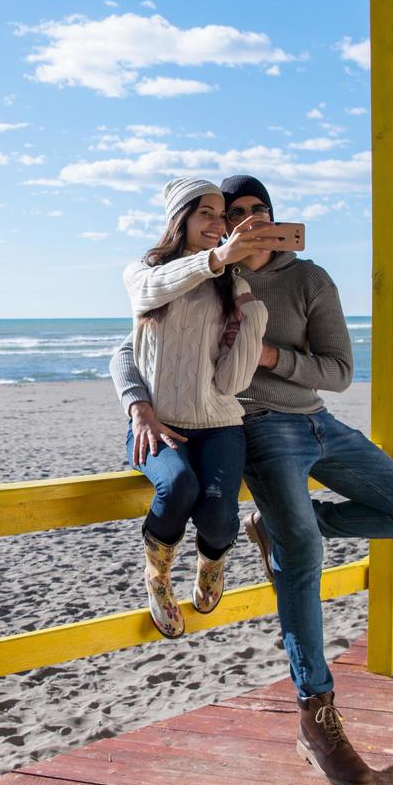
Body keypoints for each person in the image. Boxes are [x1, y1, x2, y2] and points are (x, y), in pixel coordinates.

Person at [110, 174, 393, 785]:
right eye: (235, 214)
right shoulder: (206, 271)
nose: (250, 221)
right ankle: (317, 717)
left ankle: (284, 526)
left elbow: (338, 372)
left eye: (262, 211)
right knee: (302, 558)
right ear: (218, 224)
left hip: (316, 418)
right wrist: (137, 406)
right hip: (251, 428)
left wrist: (268, 356)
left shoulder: (308, 280)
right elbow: (134, 345)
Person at [122, 176, 280, 639]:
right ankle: (157, 576)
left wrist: (253, 313)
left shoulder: (232, 286)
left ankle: (212, 563)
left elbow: (231, 383)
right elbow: (150, 293)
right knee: (177, 486)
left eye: (221, 214)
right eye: (205, 213)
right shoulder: (141, 270)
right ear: (181, 219)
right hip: (157, 421)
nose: (216, 222)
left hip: (219, 423)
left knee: (218, 513)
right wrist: (139, 407)